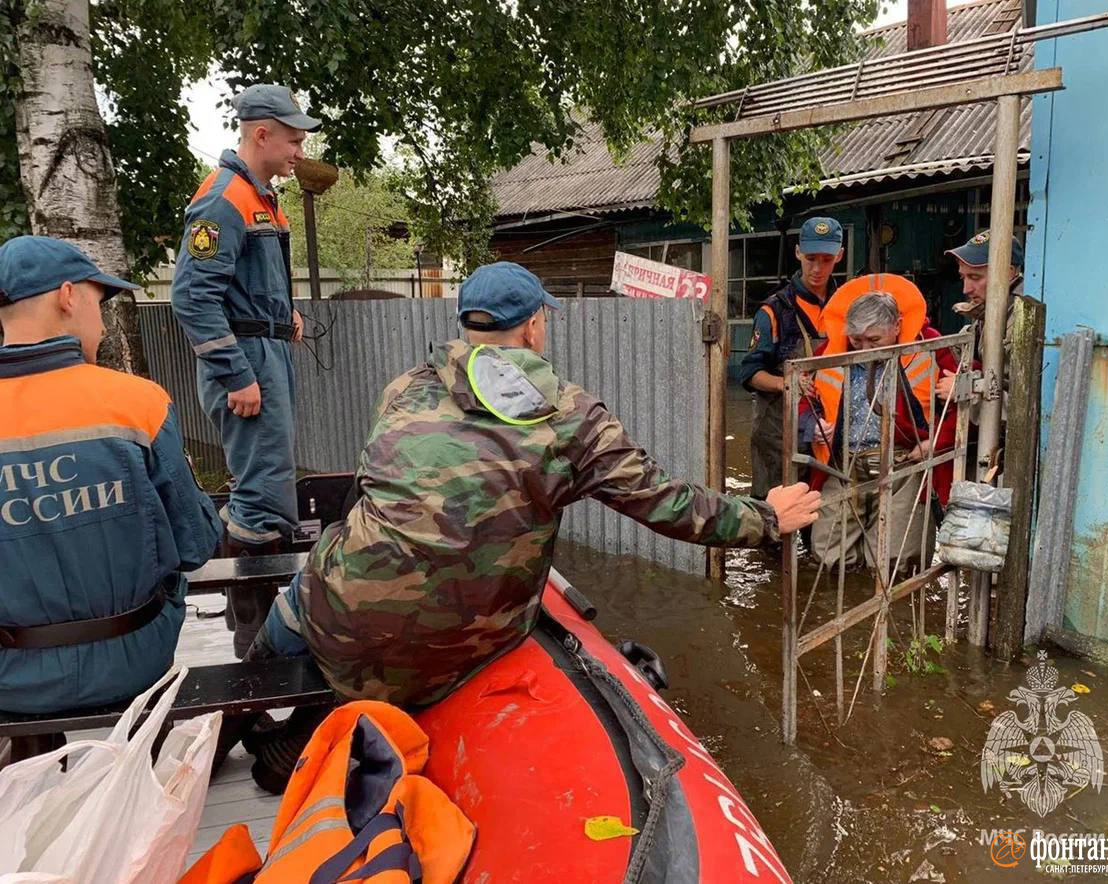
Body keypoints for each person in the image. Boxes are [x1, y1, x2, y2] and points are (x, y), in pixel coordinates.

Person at [237, 261, 822, 792]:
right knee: (395, 624)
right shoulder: (571, 416)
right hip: (463, 648)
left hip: (344, 624)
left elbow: (370, 487)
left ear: (468, 327)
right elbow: (668, 505)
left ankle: (243, 717)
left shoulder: (406, 389)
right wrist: (766, 517)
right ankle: (313, 731)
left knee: (306, 595)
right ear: (535, 328)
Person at [0, 236, 221, 713]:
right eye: (99, 304)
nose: (101, 324)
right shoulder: (136, 402)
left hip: (9, 676)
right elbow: (197, 544)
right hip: (134, 656)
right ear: (67, 296)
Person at [171, 83, 321, 657]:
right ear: (262, 134)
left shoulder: (261, 196)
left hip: (267, 350)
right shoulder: (222, 200)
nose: (298, 152)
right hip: (249, 363)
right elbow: (192, 298)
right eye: (292, 140)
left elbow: (243, 286)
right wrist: (237, 375)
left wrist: (287, 314)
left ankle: (261, 615)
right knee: (262, 497)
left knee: (270, 488)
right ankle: (255, 641)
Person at [805, 285, 958, 573]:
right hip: (842, 464)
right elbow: (805, 394)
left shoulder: (931, 346)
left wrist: (935, 442)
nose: (864, 349)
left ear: (897, 326)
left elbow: (959, 406)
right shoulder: (831, 350)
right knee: (828, 557)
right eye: (856, 340)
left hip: (903, 463)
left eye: (874, 340)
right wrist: (810, 424)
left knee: (897, 564)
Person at [739, 217, 844, 500]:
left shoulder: (846, 306)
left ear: (840, 255)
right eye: (810, 258)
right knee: (773, 519)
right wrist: (788, 382)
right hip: (778, 435)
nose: (817, 268)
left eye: (826, 259)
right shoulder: (774, 310)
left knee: (822, 516)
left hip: (829, 433)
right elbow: (749, 373)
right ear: (798, 253)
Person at [933, 229, 1026, 405]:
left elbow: (1021, 406)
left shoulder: (1021, 318)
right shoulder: (991, 310)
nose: (966, 289)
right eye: (963, 277)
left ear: (1008, 273)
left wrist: (964, 391)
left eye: (975, 277)